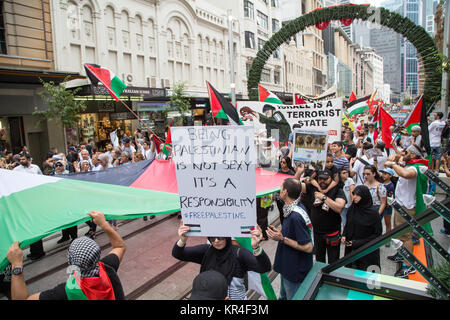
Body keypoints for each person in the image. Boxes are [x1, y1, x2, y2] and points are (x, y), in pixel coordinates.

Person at [6, 210, 126, 300]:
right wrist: (104, 224)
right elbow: (120, 246)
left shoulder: (64, 293)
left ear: (70, 261)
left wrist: (16, 265)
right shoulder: (108, 268)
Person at [172, 225, 271, 300]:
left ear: (227, 236)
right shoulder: (206, 251)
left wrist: (256, 247)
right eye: (212, 238)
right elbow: (178, 254)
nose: (216, 241)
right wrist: (182, 240)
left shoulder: (239, 253)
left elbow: (264, 267)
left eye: (220, 237)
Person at [384, 144, 429, 278]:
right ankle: (401, 254)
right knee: (399, 233)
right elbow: (392, 158)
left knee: (406, 236)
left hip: (407, 207)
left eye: (406, 151)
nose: (403, 152)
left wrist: (393, 164)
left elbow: (405, 174)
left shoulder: (417, 167)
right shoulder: (409, 163)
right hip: (401, 204)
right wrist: (397, 157)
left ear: (414, 155)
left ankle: (409, 265)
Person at [266, 178, 313, 300]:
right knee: (283, 297)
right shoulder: (292, 208)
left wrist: (282, 238)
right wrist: (280, 231)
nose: (279, 191)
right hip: (287, 267)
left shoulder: (295, 216)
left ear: (285, 192)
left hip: (294, 270)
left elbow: (308, 247)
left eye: (281, 188)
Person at [299, 169, 347, 264]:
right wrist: (299, 172)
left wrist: (324, 198)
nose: (323, 181)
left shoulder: (338, 190)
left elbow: (339, 208)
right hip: (317, 233)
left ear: (331, 179)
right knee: (319, 260)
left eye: (326, 179)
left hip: (332, 233)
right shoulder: (312, 188)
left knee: (333, 262)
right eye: (320, 178)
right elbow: (295, 186)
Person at [341, 185, 382, 271]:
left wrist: (357, 242)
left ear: (364, 196)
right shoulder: (352, 208)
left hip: (367, 252)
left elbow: (377, 235)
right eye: (354, 194)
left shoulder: (373, 213)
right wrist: (344, 235)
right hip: (351, 249)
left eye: (357, 195)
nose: (354, 197)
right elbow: (348, 224)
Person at [13, 152, 45, 260]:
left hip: (35, 199)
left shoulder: (35, 168)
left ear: (28, 159)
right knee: (30, 226)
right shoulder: (16, 170)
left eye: (23, 159)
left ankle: (39, 251)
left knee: (35, 226)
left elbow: (42, 179)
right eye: (20, 160)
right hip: (25, 200)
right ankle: (33, 250)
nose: (21, 161)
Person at [380, 168, 395, 241]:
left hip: (387, 207)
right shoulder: (381, 183)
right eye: (383, 173)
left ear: (390, 176)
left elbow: (390, 197)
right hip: (380, 205)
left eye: (385, 174)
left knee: (387, 223)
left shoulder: (391, 186)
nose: (383, 175)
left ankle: (388, 238)